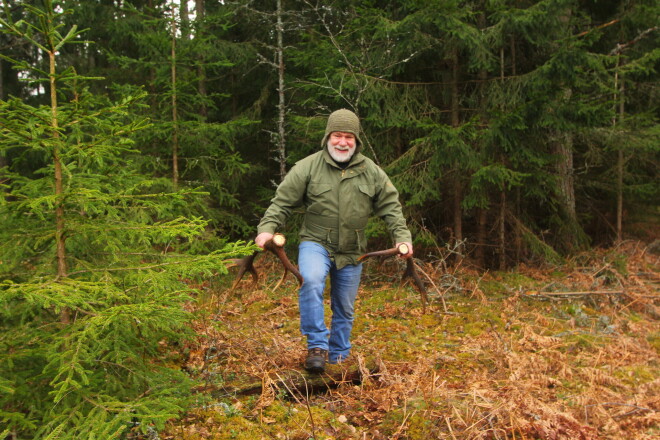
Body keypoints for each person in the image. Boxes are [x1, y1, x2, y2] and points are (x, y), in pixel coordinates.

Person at [255, 109, 413, 373]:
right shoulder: (307, 167)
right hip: (316, 242)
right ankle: (317, 346)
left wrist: (402, 238)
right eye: (337, 135)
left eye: (348, 137)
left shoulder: (371, 171)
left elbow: (391, 208)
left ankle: (338, 357)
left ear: (356, 141)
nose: (342, 142)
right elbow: (281, 202)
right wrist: (266, 229)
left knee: (345, 306)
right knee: (311, 280)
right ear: (328, 137)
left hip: (353, 250)